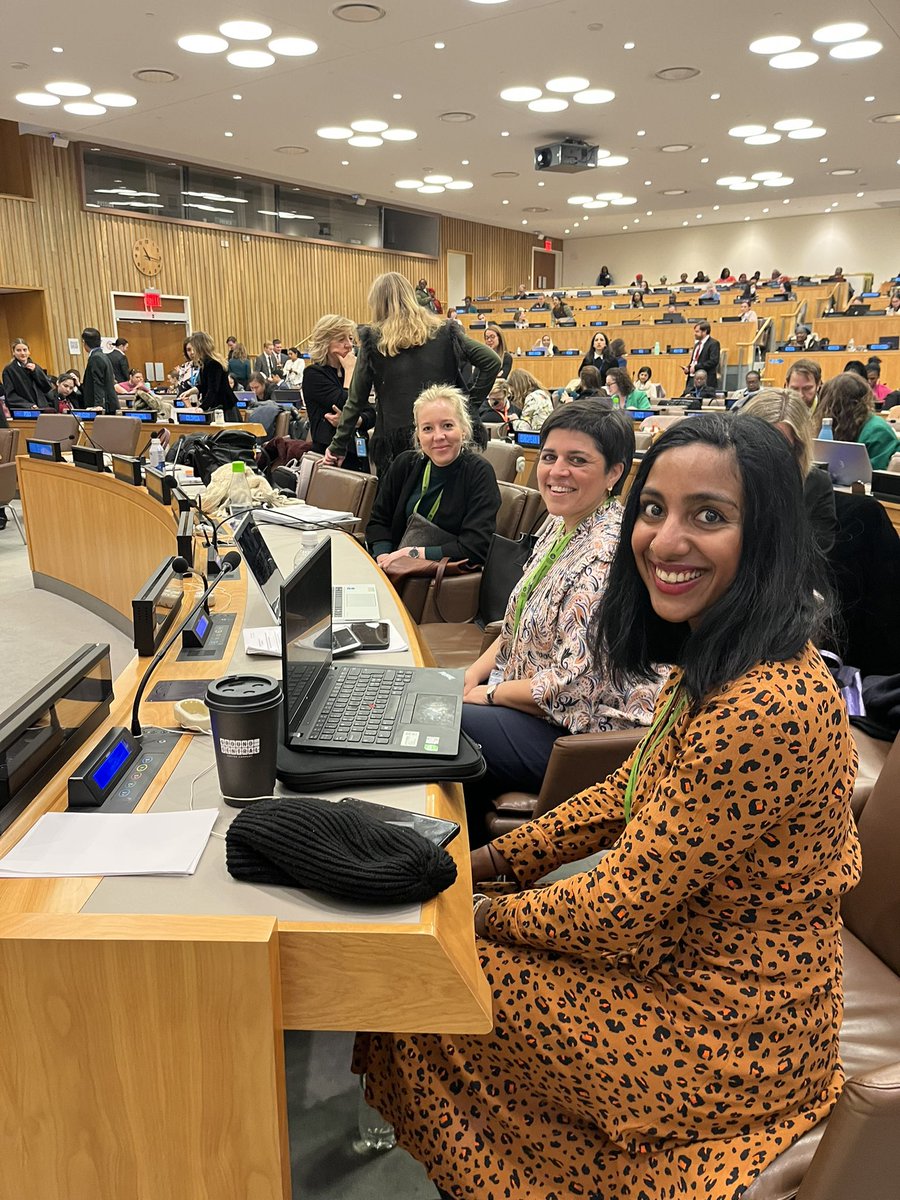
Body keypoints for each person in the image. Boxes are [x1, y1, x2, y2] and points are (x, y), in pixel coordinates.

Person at [357, 411, 860, 1200]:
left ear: (765, 537)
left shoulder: (767, 702)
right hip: (679, 963)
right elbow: (624, 796)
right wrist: (483, 863)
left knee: (430, 972)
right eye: (655, 510)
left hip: (731, 1031)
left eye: (710, 516)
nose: (664, 540)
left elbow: (617, 907)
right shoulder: (721, 660)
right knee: (433, 962)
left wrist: (471, 909)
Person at [460, 402, 658, 813]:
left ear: (615, 473)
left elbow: (570, 685)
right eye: (549, 457)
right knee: (434, 705)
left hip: (586, 736)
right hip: (536, 709)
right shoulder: (560, 522)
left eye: (578, 460)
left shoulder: (607, 555)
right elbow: (518, 624)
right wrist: (472, 674)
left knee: (443, 723)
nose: (556, 471)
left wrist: (488, 693)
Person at [325, 273, 500, 474]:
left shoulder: (374, 342)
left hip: (396, 447)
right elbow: (491, 361)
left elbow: (355, 401)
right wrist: (467, 408)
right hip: (443, 439)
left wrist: (337, 446)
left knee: (396, 504)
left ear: (377, 304)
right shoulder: (443, 331)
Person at [366, 384, 500, 569]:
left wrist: (412, 554)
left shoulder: (479, 473)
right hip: (391, 569)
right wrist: (384, 558)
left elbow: (476, 547)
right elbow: (379, 522)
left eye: (447, 425)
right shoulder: (404, 464)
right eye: (428, 428)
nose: (438, 436)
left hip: (437, 581)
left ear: (463, 429)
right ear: (418, 435)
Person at [743, 388, 838, 552]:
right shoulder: (728, 477)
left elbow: (817, 555)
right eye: (761, 443)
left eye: (781, 446)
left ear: (798, 447)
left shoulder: (815, 484)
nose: (770, 454)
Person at [303, 314, 373, 470]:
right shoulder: (313, 374)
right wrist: (350, 371)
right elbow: (346, 402)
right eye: (341, 340)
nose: (349, 345)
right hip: (329, 457)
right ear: (325, 343)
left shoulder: (351, 373)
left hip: (358, 452)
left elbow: (371, 413)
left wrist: (356, 421)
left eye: (350, 339)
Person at [819, 371, 899, 470]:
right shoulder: (836, 427)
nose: (826, 412)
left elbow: (874, 477)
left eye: (829, 407)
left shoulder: (877, 431)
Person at [179, 331, 240, 422]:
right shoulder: (205, 363)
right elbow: (205, 385)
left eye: (194, 348)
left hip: (225, 408)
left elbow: (213, 390)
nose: (192, 352)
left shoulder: (213, 363)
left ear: (201, 347)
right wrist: (190, 391)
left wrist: (202, 408)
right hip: (218, 406)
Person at [2, 340, 54, 410]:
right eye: (18, 350)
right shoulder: (9, 370)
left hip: (42, 406)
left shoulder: (36, 367)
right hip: (24, 408)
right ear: (13, 352)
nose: (22, 353)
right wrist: (28, 405)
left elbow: (47, 387)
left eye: (25, 350)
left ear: (29, 351)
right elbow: (10, 395)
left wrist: (36, 371)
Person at [80, 327, 119, 414]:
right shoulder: (102, 356)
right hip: (108, 403)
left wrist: (98, 405)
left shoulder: (96, 357)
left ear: (84, 342)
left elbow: (98, 382)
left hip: (103, 406)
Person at [683, 320, 720, 390]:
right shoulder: (697, 345)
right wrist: (688, 368)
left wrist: (696, 367)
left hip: (706, 381)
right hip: (692, 379)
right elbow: (694, 361)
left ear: (705, 331)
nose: (695, 334)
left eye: (697, 331)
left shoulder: (713, 343)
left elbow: (713, 361)